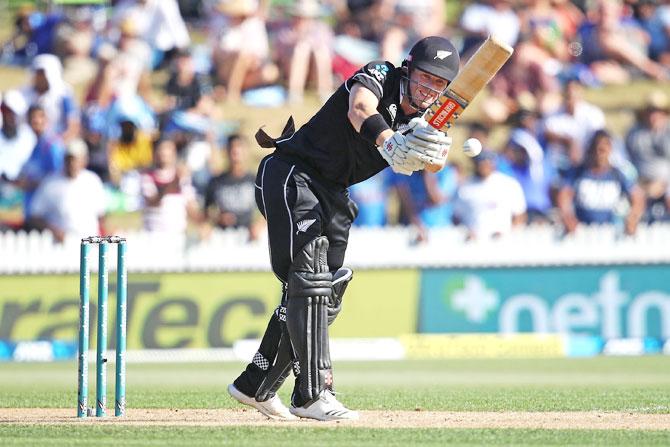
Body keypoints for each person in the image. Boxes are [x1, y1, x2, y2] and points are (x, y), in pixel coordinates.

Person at [227, 36, 458, 421]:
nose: (429, 88)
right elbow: (359, 108)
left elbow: (429, 162)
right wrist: (388, 140)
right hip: (293, 175)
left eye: (439, 84)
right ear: (408, 68)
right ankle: (312, 393)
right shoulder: (381, 75)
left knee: (326, 290)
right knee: (309, 281)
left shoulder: (426, 115)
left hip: (333, 192)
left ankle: (256, 383)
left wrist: (432, 153)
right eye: (424, 77)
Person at [557, 130, 645, 235]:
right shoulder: (578, 172)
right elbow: (564, 195)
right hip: (582, 232)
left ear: (610, 150)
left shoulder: (617, 174)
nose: (599, 154)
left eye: (603, 150)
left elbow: (637, 197)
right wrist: (568, 217)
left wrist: (633, 218)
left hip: (609, 232)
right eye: (596, 149)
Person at [28, 139, 106, 242]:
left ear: (84, 160)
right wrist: (53, 230)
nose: (72, 163)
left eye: (76, 159)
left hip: (88, 244)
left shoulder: (93, 181)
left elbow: (101, 215)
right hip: (59, 246)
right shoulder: (50, 182)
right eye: (69, 159)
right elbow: (34, 216)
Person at [453, 150, 527, 239]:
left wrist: (508, 234)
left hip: (502, 243)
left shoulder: (509, 184)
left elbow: (519, 216)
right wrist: (465, 232)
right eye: (481, 162)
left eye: (487, 162)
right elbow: (457, 217)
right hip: (473, 244)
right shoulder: (464, 186)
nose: (484, 166)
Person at [204, 134, 262, 240]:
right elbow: (206, 212)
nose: (235, 152)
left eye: (239, 147)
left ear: (246, 151)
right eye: (232, 147)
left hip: (249, 235)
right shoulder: (216, 181)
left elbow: (270, 212)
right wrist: (218, 218)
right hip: (223, 236)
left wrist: (259, 225)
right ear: (226, 151)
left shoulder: (256, 181)